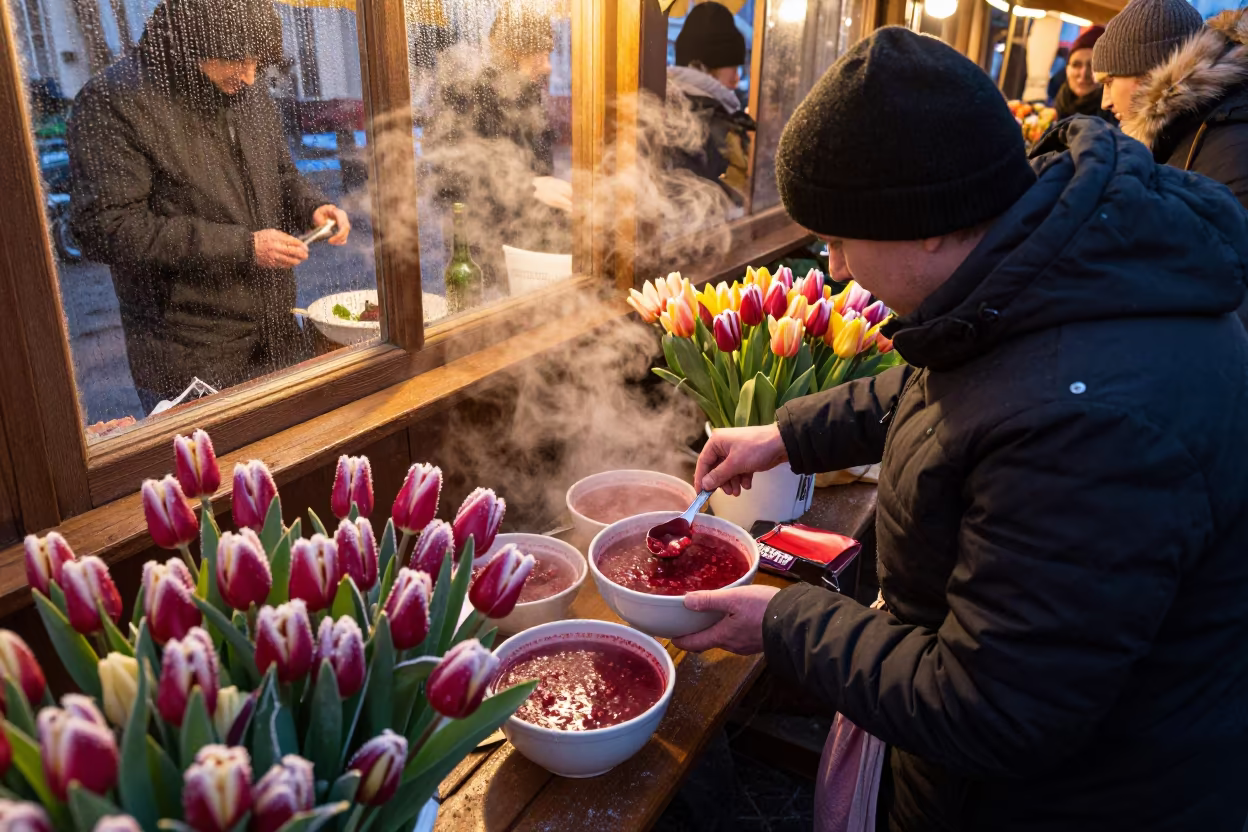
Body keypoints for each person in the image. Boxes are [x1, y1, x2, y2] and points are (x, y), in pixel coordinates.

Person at [673, 27, 1248, 831]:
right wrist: (787, 434)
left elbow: (994, 707)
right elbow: (953, 378)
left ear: (929, 224)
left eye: (840, 237)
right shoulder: (1042, 264)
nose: (832, 267)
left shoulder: (1084, 422)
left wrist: (781, 622)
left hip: (1081, 800)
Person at [68, 0, 350, 414]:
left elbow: (281, 173)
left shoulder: (246, 90)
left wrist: (314, 206)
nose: (250, 75)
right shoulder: (114, 101)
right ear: (191, 45)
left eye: (258, 62)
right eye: (237, 60)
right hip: (189, 351)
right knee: (213, 476)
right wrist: (243, 246)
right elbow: (105, 227)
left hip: (276, 327)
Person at [422, 6, 570, 292]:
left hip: (526, 243)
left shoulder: (528, 94)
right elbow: (448, 172)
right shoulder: (465, 93)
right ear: (513, 54)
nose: (549, 66)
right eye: (540, 55)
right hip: (481, 249)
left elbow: (537, 168)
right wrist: (529, 185)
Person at [1093, 0, 1248, 209]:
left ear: (1152, 74)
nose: (1106, 102)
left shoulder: (1230, 150)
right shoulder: (1176, 136)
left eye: (1109, 82)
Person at [667, 1, 757, 205]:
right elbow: (727, 201)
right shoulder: (709, 120)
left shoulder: (672, 103)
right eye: (732, 68)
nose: (736, 80)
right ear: (705, 66)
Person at [1054, 26, 1113, 121]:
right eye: (1076, 64)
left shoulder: (1115, 119)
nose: (1083, 74)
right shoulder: (1057, 106)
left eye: (1092, 66)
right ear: (1067, 69)